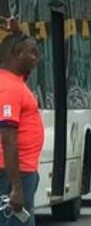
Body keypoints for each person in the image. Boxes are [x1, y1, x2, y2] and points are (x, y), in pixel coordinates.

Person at [0, 33, 42, 226]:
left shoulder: (16, 83)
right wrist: (16, 187)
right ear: (17, 52)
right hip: (13, 173)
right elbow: (8, 138)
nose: (37, 58)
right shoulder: (9, 87)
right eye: (33, 52)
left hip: (22, 171)